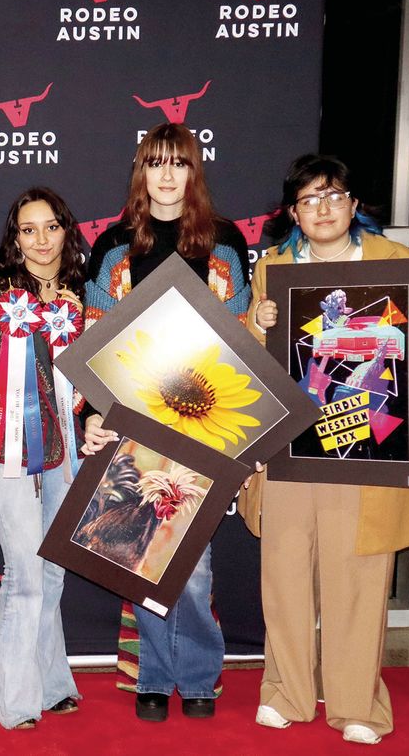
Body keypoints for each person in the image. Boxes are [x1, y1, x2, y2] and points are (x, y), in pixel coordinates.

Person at [240, 154, 409, 745]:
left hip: (369, 444)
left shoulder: (399, 265)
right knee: (284, 573)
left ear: (355, 205)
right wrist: (257, 324)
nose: (323, 208)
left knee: (357, 576)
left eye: (334, 196)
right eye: (309, 199)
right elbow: (253, 356)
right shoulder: (273, 270)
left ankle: (358, 703)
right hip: (289, 448)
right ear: (293, 214)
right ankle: (286, 692)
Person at [81, 123, 251, 722]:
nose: (168, 174)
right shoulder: (113, 246)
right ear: (142, 170)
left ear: (193, 171)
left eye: (179, 163)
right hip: (136, 424)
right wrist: (99, 414)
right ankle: (155, 675)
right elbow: (97, 338)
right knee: (149, 556)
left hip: (206, 424)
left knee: (196, 567)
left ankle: (199, 676)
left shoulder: (224, 243)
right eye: (156, 162)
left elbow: (239, 342)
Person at [0, 187, 87, 730]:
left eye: (50, 227)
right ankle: (13, 700)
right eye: (28, 230)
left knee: (55, 571)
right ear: (14, 240)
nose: (41, 240)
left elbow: (96, 381)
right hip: (11, 442)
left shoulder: (84, 297)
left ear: (66, 230)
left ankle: (51, 680)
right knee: (25, 572)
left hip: (68, 442)